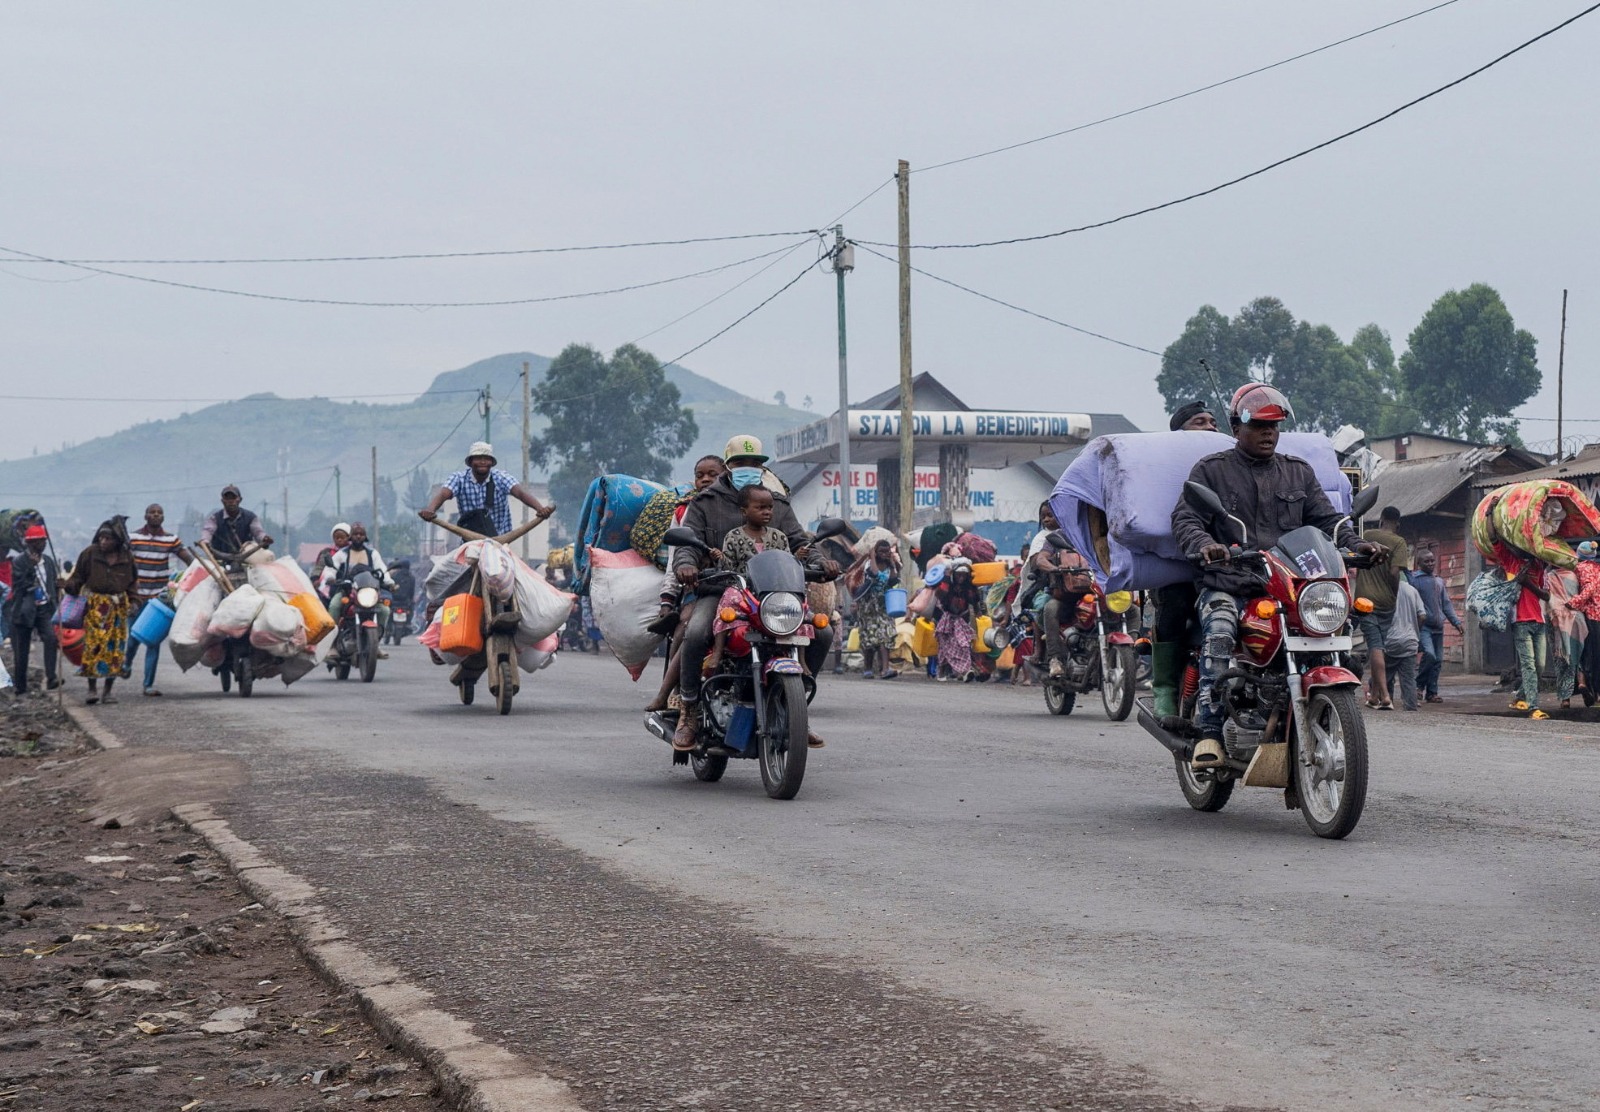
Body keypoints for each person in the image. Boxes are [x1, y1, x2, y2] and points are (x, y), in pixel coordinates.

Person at [1171, 383, 1369, 769]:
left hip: (1290, 588)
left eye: (1274, 426)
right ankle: (1209, 733)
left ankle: (1325, 712)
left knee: (1341, 634)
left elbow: (1327, 520)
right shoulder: (1212, 471)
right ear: (1236, 427)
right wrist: (1206, 544)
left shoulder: (1297, 472)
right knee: (1221, 632)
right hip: (1229, 584)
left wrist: (1354, 542)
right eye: (1260, 426)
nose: (1268, 433)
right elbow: (1186, 518)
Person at [670, 434, 831, 750]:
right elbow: (687, 546)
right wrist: (686, 566)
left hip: (774, 594)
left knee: (822, 633)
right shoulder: (704, 503)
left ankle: (794, 708)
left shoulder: (777, 503)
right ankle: (689, 709)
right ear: (728, 466)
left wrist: (820, 560)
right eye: (741, 463)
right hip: (722, 589)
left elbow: (801, 542)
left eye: (755, 463)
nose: (749, 467)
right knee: (697, 630)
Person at [1151, 402, 1221, 714]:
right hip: (1183, 565)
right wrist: (1203, 543)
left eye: (1213, 422)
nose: (1210, 427)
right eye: (1199, 422)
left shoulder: (1230, 465)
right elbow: (1185, 517)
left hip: (1234, 567)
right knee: (1176, 601)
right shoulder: (1166, 466)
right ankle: (1165, 687)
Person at [62, 519, 139, 705]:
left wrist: (135, 602)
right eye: (101, 538)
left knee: (115, 649)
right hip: (95, 607)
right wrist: (67, 586)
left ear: (117, 541)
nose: (104, 542)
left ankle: (108, 691)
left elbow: (132, 584)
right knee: (93, 646)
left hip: (118, 607)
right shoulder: (89, 554)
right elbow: (77, 578)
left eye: (108, 538)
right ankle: (91, 690)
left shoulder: (127, 558)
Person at [121, 504, 193, 697]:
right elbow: (123, 559)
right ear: (145, 516)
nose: (155, 515)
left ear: (163, 517)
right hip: (136, 596)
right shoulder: (134, 538)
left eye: (159, 512)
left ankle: (148, 685)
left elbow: (187, 557)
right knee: (134, 636)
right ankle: (126, 664)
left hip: (159, 599)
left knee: (153, 641)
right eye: (152, 512)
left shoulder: (170, 539)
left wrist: (196, 569)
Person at [419, 442, 552, 538]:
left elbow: (520, 493)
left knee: (510, 573)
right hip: (470, 539)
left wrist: (540, 509)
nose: (482, 462)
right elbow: (443, 494)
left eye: (486, 458)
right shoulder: (458, 478)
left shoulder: (501, 478)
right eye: (478, 458)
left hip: (500, 540)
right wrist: (431, 510)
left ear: (491, 462)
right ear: (471, 462)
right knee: (454, 573)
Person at [1353, 505, 1411, 712]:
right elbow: (1395, 573)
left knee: (1375, 646)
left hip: (1363, 599)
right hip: (1386, 601)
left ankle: (1381, 695)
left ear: (1381, 519)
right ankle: (1379, 696)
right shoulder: (1399, 542)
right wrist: (1394, 594)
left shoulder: (1367, 536)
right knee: (1379, 646)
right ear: (1397, 523)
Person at [321, 523, 396, 655]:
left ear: (365, 537)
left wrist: (390, 583)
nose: (358, 537)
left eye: (361, 534)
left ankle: (375, 644)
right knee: (334, 606)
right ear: (351, 537)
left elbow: (382, 570)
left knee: (384, 610)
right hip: (347, 591)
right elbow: (330, 569)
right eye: (355, 534)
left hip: (369, 591)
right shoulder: (342, 554)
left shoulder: (373, 554)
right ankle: (332, 646)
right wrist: (330, 577)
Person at [4, 524, 61, 696]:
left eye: (43, 541)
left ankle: (51, 677)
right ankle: (20, 687)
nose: (41, 545)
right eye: (37, 542)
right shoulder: (19, 561)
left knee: (51, 639)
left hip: (44, 608)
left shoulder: (49, 562)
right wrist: (32, 568)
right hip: (24, 609)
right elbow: (19, 585)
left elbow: (52, 583)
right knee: (22, 650)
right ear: (29, 544)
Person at [1410, 549, 1463, 704]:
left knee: (1438, 660)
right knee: (1430, 655)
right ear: (1419, 564)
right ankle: (1418, 686)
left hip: (1438, 626)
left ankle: (1432, 692)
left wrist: (1456, 622)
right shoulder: (1414, 581)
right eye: (1426, 561)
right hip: (1424, 626)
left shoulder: (1439, 581)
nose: (1430, 564)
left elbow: (1446, 604)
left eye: (1432, 560)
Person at [845, 537, 901, 680]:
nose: (885, 553)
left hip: (883, 606)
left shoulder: (890, 566)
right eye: (881, 551)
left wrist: (893, 563)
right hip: (868, 606)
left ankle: (885, 669)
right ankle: (868, 668)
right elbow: (874, 574)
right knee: (869, 639)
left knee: (885, 635)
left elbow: (893, 580)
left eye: (887, 551)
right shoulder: (869, 564)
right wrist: (871, 555)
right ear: (876, 552)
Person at [1507, 557, 1549, 719]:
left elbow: (1546, 595)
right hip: (1520, 622)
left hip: (1539, 621)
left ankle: (1519, 697)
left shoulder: (1539, 566)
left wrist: (1528, 583)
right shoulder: (1512, 563)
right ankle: (1533, 707)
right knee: (1529, 665)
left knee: (1540, 666)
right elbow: (1494, 542)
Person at [933, 559, 985, 682]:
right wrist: (946, 576)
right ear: (954, 575)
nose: (961, 577)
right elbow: (941, 594)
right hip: (947, 620)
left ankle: (966, 671)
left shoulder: (969, 588)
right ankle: (942, 670)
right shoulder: (947, 585)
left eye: (964, 575)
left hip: (962, 620)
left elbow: (974, 600)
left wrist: (978, 611)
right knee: (945, 648)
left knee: (964, 645)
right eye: (958, 575)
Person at [1546, 566, 1588, 710]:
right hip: (1578, 619)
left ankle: (1565, 699)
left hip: (1559, 621)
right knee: (1580, 656)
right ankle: (1582, 683)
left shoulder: (1550, 576)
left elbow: (1547, 599)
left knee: (1562, 659)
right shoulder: (1573, 575)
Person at [1385, 574, 1425, 711]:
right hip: (1410, 640)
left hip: (1390, 640)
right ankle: (1410, 708)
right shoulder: (1412, 590)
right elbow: (1422, 616)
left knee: (1386, 678)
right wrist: (1414, 630)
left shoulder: (1386, 589)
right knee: (1408, 679)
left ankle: (1387, 704)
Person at [200, 485, 272, 557]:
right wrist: (205, 542)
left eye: (233, 498)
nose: (231, 501)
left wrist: (264, 539)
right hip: (219, 560)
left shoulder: (251, 517)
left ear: (240, 500)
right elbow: (208, 531)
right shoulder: (215, 518)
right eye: (227, 498)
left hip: (246, 560)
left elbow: (258, 532)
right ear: (222, 501)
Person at [311, 523, 351, 593]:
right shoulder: (327, 552)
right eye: (337, 538)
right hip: (329, 585)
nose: (339, 540)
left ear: (349, 537)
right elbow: (319, 568)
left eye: (342, 537)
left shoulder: (354, 552)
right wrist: (315, 579)